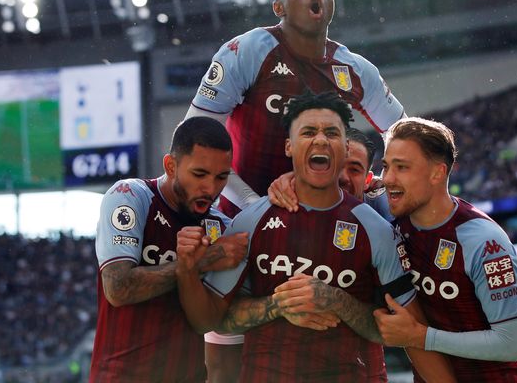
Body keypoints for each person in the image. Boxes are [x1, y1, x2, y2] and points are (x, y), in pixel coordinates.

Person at [187, 0, 405, 377]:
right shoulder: (247, 51)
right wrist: (256, 203)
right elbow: (194, 136)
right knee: (223, 365)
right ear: (277, 6)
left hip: (328, 220)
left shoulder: (356, 69)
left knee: (350, 341)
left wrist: (375, 184)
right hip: (246, 221)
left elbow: (403, 136)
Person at [176, 92, 454, 382]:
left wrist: (337, 301)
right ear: (289, 146)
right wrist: (277, 305)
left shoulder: (376, 228)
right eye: (308, 132)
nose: (320, 140)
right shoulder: (250, 221)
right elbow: (209, 320)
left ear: (346, 148)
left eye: (331, 133)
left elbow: (407, 329)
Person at [372, 117, 517, 382]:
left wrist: (420, 337)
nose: (387, 179)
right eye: (386, 166)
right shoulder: (388, 213)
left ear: (437, 173)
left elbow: (511, 344)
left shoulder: (484, 241)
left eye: (402, 167)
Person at [89, 117, 249, 382]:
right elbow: (118, 288)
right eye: (199, 174)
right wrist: (203, 261)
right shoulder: (130, 196)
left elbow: (206, 322)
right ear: (171, 165)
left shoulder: (222, 229)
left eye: (221, 177)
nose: (210, 188)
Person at [268, 127, 393, 221]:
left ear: (367, 180)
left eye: (354, 169)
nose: (342, 177)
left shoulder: (386, 208)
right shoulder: (289, 196)